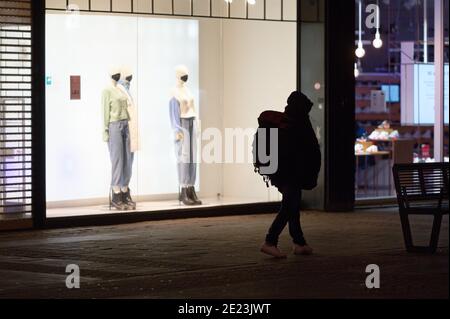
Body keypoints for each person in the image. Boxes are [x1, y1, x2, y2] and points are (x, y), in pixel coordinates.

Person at [260, 91, 321, 258]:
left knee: (293, 206)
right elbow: (308, 148)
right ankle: (270, 241)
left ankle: (299, 243)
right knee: (289, 207)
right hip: (291, 173)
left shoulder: (285, 121)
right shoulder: (297, 122)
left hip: (281, 172)